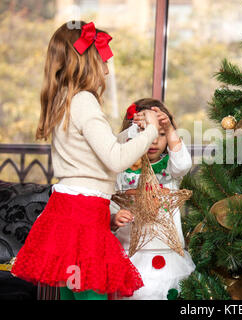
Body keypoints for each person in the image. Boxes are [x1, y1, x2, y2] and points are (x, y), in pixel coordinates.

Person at [10, 21, 161, 300]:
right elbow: (115, 160)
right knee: (90, 295)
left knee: (72, 292)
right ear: (86, 62)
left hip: (68, 209)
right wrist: (151, 129)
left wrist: (132, 132)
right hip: (84, 214)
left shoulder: (65, 98)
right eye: (103, 61)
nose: (106, 70)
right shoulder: (84, 100)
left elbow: (96, 151)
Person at [110, 98, 195, 300]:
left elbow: (183, 164)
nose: (154, 140)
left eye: (161, 134)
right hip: (130, 255)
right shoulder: (121, 169)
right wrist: (113, 218)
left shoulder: (171, 167)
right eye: (146, 133)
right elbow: (110, 202)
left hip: (168, 255)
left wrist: (170, 128)